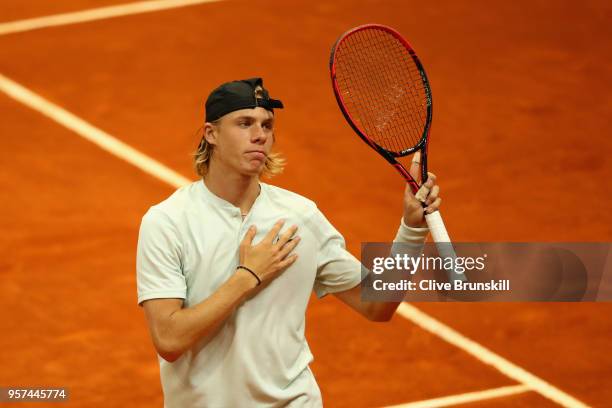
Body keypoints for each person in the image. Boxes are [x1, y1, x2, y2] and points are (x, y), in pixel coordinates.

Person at [136, 77, 441, 407]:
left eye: (267, 125)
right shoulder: (167, 222)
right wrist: (247, 277)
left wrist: (411, 229)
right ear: (211, 134)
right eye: (244, 123)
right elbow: (168, 338)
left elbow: (376, 305)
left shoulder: (300, 216)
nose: (259, 135)